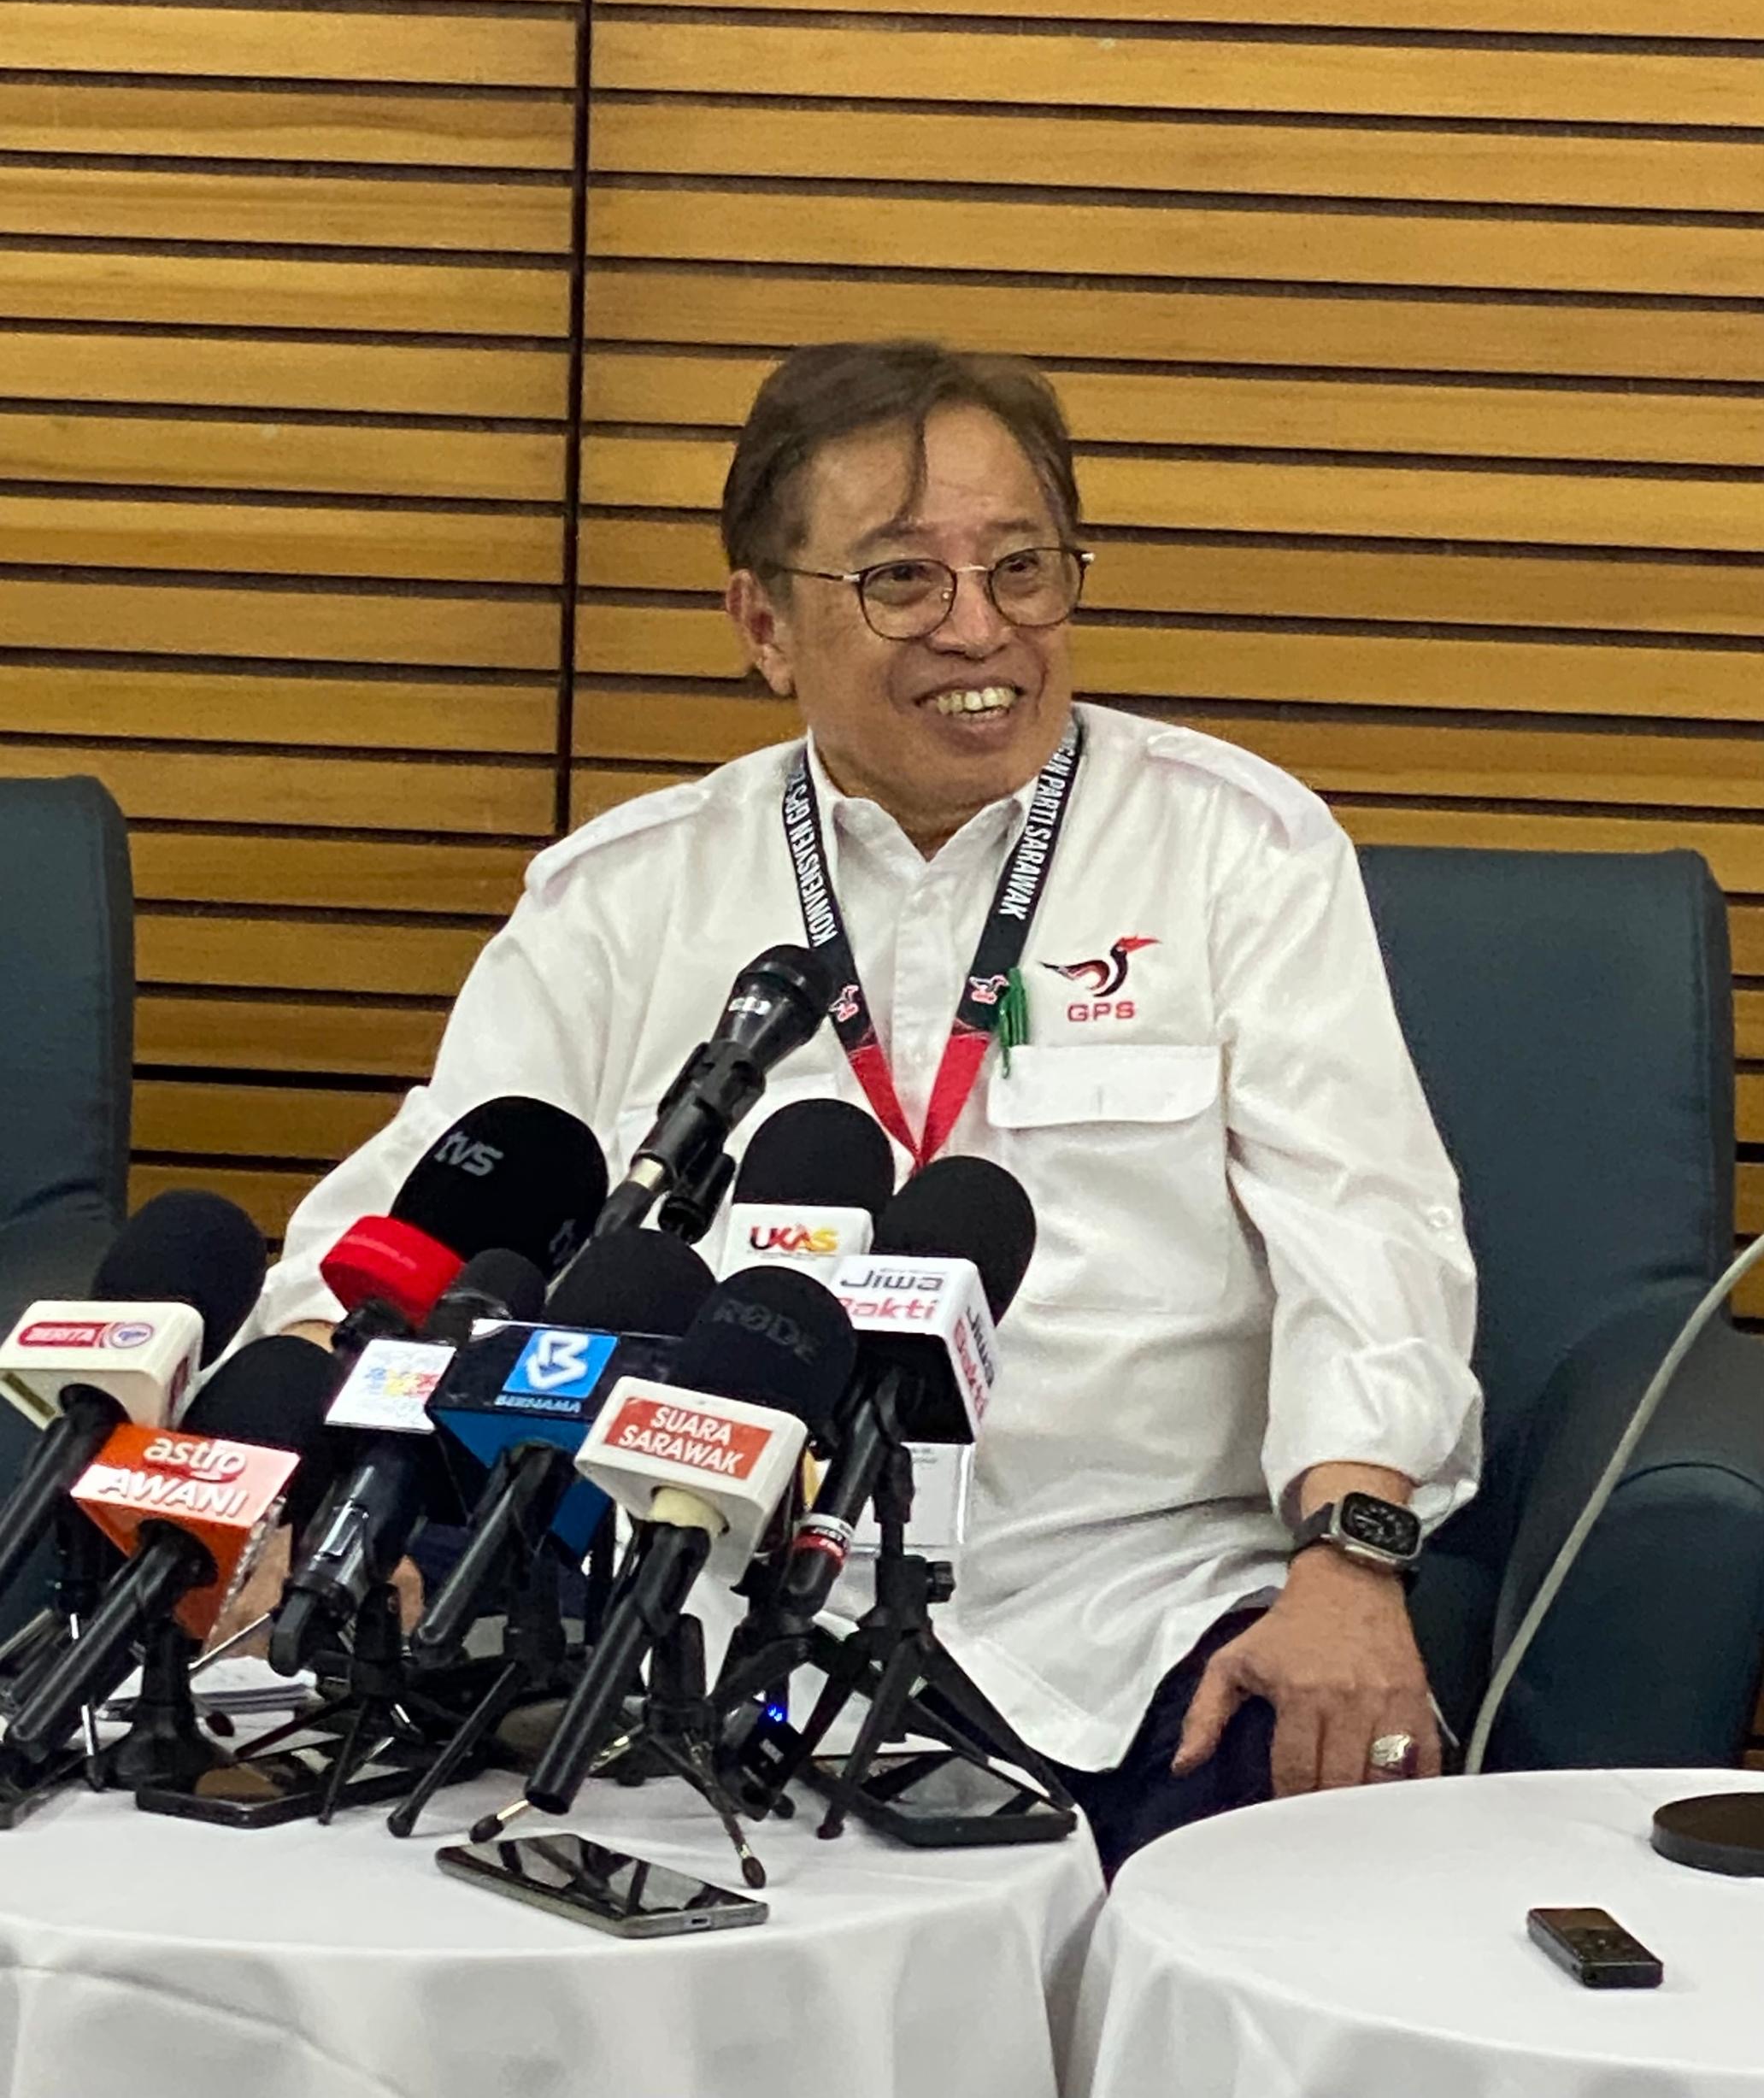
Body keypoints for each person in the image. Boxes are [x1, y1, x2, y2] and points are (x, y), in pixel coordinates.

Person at [244, 341, 1479, 1877]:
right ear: (764, 623)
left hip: (1124, 1610)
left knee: (1296, 1853)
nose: (982, 627)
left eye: (1023, 567)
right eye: (902, 579)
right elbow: (420, 1213)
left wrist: (1352, 1560)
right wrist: (301, 1482)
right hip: (675, 1600)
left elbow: (1370, 1232)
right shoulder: (626, 897)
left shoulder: (1237, 853)